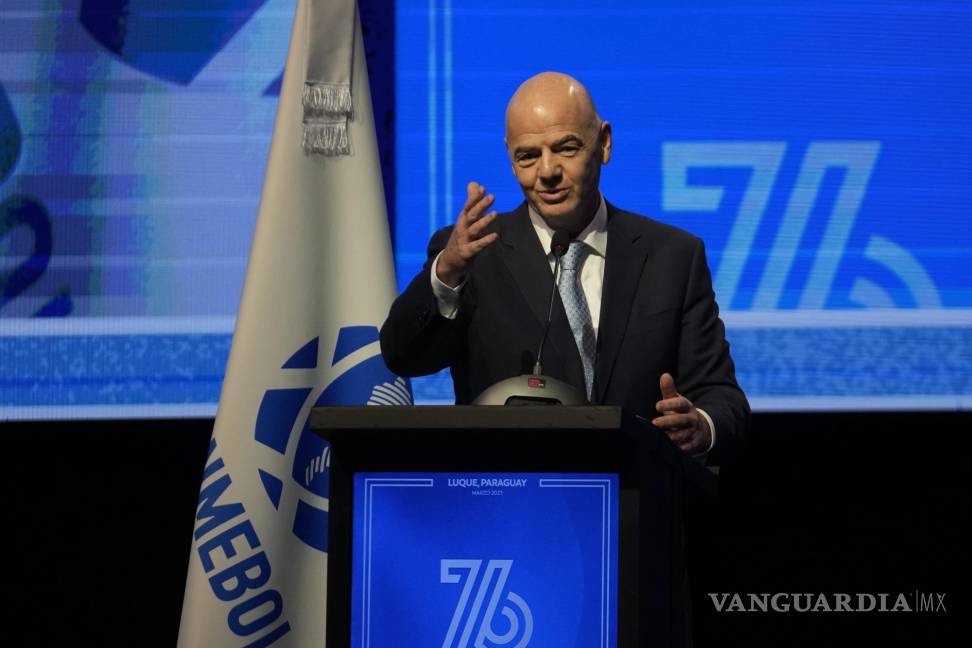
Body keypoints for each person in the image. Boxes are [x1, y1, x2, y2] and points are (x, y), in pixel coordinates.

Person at [380, 71, 748, 461]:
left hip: (635, 490)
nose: (547, 172)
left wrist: (701, 425)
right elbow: (404, 357)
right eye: (527, 156)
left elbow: (722, 398)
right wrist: (447, 273)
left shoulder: (673, 256)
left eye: (566, 148)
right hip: (510, 490)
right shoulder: (472, 256)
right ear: (510, 158)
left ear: (604, 143)